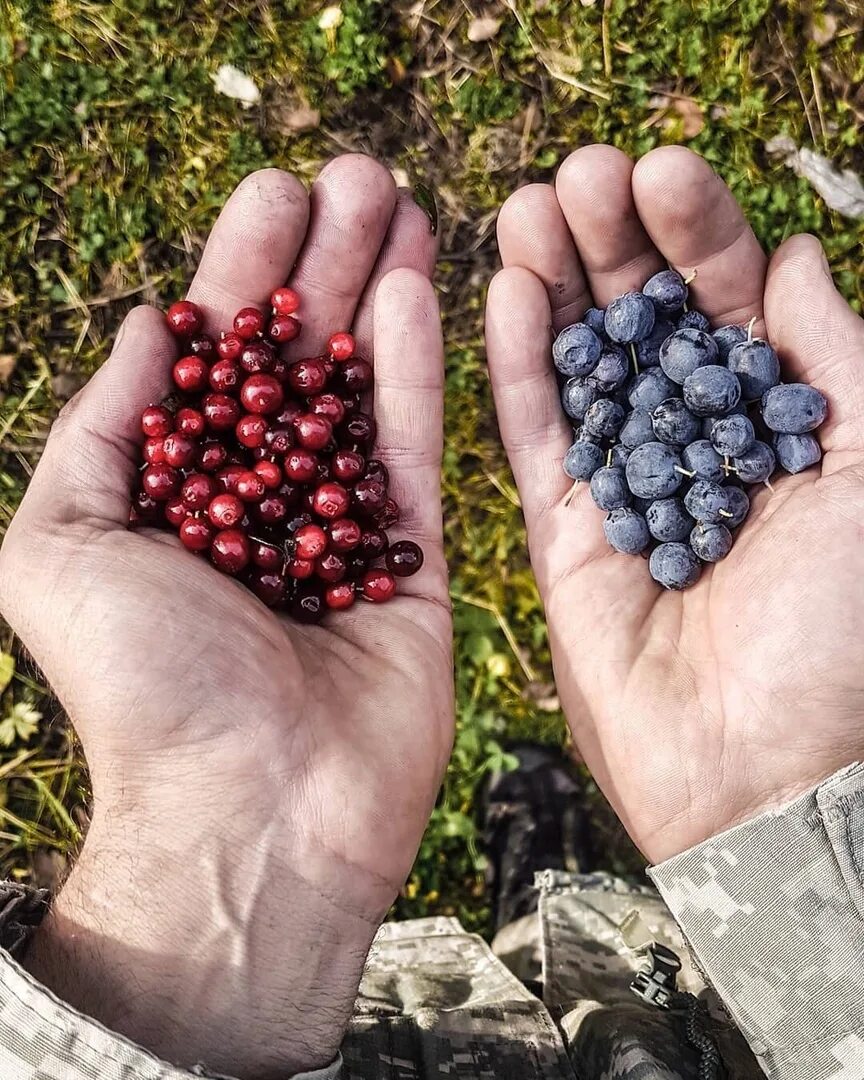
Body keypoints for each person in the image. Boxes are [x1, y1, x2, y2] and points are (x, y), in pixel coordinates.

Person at [0, 144, 862, 1080]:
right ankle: (554, 864)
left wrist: (186, 952)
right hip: (766, 1010)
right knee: (616, 951)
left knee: (557, 962)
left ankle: (544, 860)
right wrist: (818, 843)